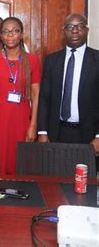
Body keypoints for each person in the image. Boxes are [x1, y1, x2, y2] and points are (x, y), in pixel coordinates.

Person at [0, 17, 41, 174]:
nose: (10, 35)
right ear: (1, 35)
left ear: (21, 34)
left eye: (15, 31)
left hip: (21, 120)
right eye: (6, 32)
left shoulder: (32, 60)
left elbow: (36, 94)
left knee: (21, 162)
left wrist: (33, 125)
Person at [38, 13, 99, 153]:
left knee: (83, 175)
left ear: (87, 30)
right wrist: (42, 132)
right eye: (70, 27)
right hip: (56, 132)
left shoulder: (97, 60)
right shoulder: (51, 61)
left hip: (89, 135)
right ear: (63, 31)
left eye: (80, 26)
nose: (75, 30)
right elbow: (44, 98)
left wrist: (98, 136)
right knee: (55, 174)